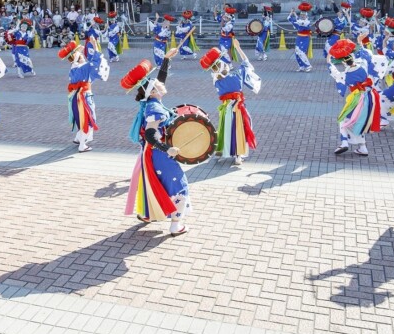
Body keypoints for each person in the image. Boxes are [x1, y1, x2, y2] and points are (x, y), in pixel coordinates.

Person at [121, 56, 190, 236]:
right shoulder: (155, 108)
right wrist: (168, 149)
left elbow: (160, 80)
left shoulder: (150, 102)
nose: (161, 84)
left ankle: (148, 213)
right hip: (158, 154)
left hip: (151, 154)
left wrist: (166, 60)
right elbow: (151, 135)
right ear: (152, 92)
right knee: (178, 185)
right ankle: (176, 224)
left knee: (154, 184)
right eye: (156, 85)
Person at [201, 40, 260, 166]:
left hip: (226, 108)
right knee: (241, 129)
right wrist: (238, 48)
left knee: (226, 129)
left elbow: (216, 73)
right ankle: (239, 155)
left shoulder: (216, 82)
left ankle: (223, 151)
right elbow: (246, 63)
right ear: (224, 66)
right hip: (238, 107)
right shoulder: (236, 77)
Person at [328, 39, 380, 156]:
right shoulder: (363, 66)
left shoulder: (346, 75)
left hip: (357, 99)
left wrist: (329, 62)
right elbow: (363, 56)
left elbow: (335, 74)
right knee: (358, 121)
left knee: (343, 119)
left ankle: (344, 142)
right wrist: (360, 43)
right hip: (369, 97)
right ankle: (362, 147)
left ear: (344, 63)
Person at [61, 37, 108, 152]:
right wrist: (95, 45)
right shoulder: (84, 67)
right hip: (84, 97)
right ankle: (82, 145)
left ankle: (78, 138)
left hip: (75, 97)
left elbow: (79, 61)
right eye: (82, 55)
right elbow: (97, 61)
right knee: (88, 118)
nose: (84, 57)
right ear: (79, 57)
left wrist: (78, 53)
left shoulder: (73, 68)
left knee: (79, 117)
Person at [289, 2, 314, 72]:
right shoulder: (299, 21)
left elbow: (302, 23)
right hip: (299, 38)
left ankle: (308, 65)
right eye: (301, 15)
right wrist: (292, 13)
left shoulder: (307, 22)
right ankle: (301, 66)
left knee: (301, 52)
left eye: (304, 15)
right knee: (297, 52)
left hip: (305, 38)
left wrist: (295, 15)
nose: (302, 16)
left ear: (306, 16)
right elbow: (290, 19)